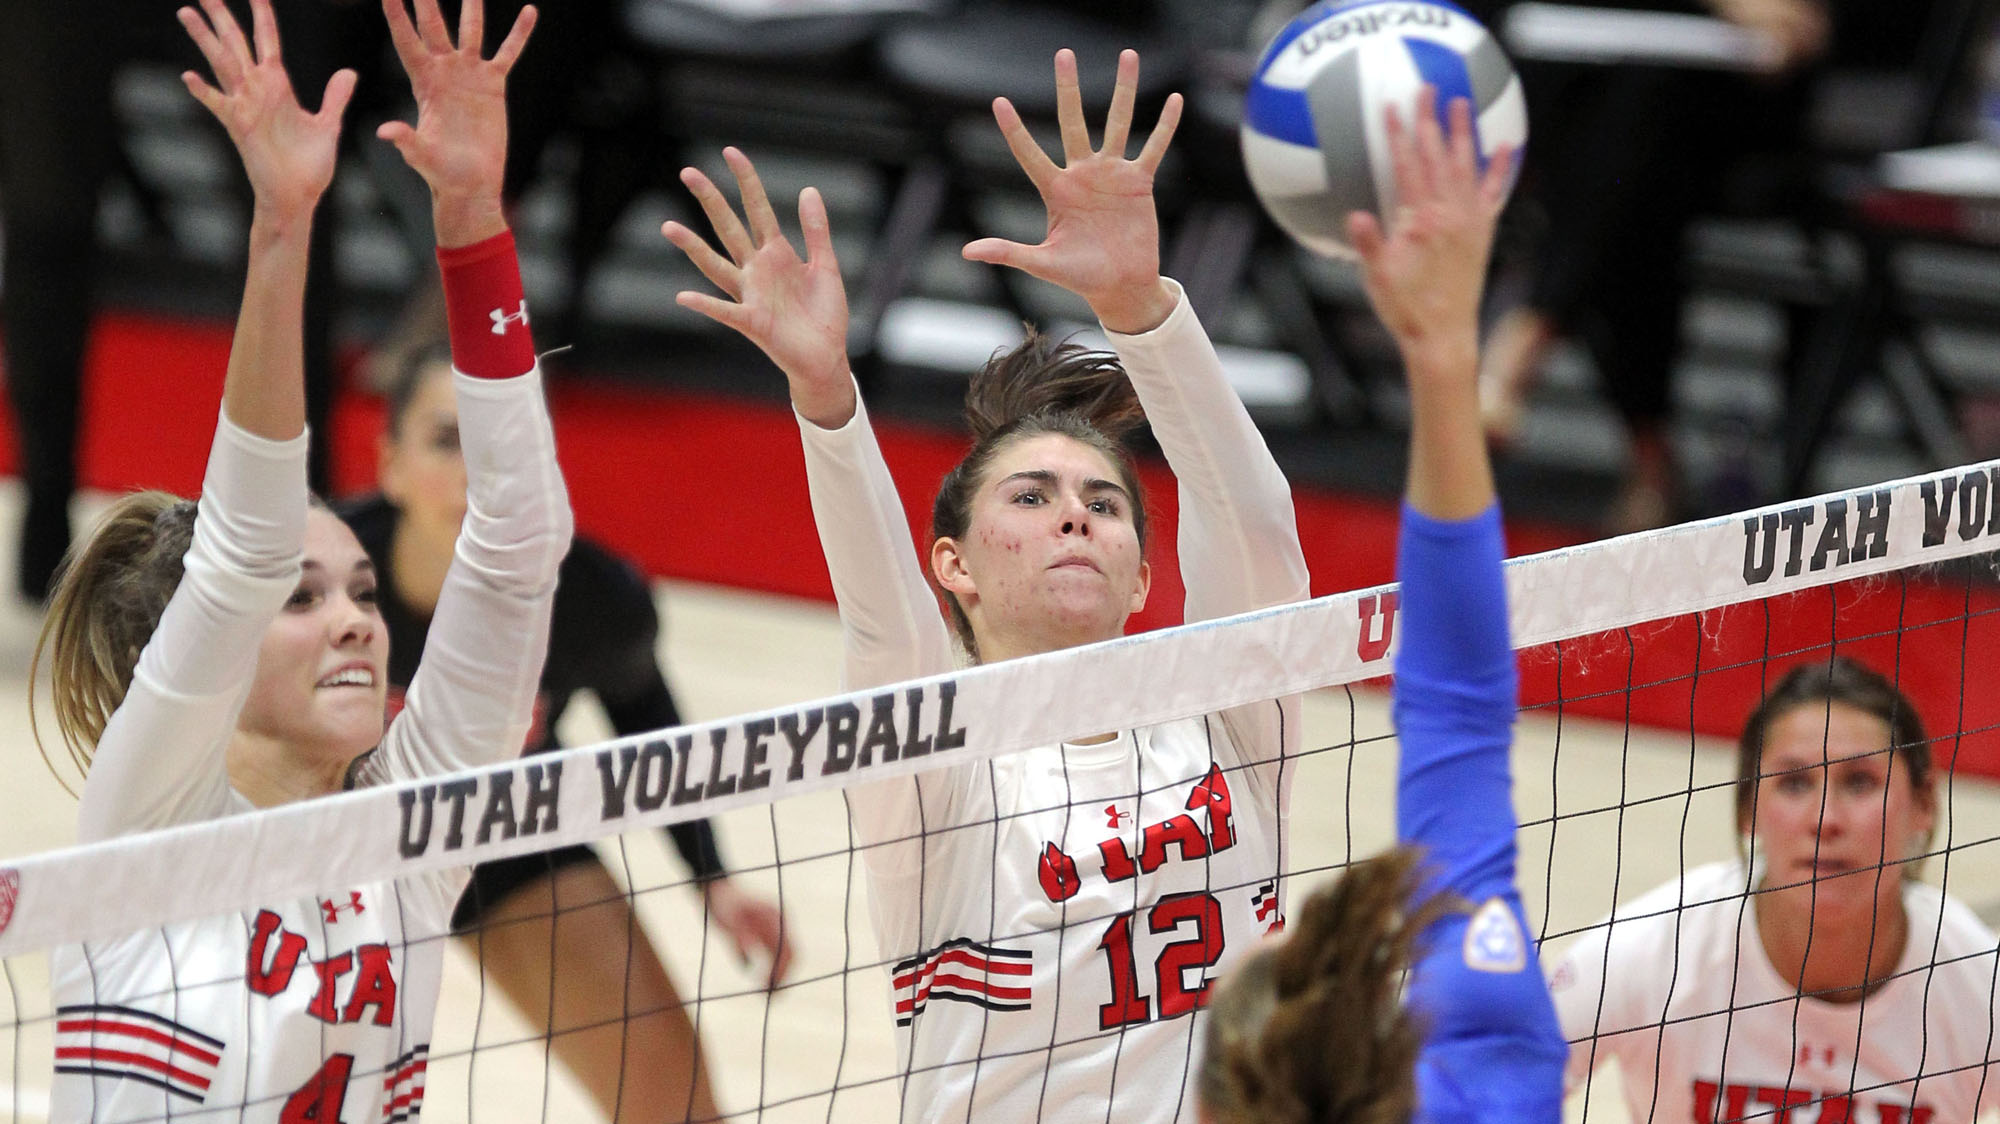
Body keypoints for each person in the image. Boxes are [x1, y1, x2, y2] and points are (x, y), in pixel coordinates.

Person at [663, 47, 1310, 1123]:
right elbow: (883, 633)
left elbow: (1254, 525)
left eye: (1103, 505)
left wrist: (1142, 307)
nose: (1074, 514)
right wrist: (826, 397)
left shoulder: (1229, 725)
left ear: (1145, 577)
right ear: (951, 566)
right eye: (1031, 497)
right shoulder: (943, 770)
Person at [33, 1, 572, 1121]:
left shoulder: (414, 837)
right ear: (205, 653)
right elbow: (241, 546)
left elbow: (518, 543)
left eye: (364, 591)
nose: (357, 620)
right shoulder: (153, 823)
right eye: (305, 595)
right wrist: (282, 228)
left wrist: (472, 217)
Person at [1196, 88, 1567, 1124]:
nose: (1267, 932)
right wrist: (1443, 352)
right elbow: (1452, 696)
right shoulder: (1489, 1050)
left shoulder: (1488, 1066)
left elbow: (1454, 702)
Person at [337, 346, 792, 1123]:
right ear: (391, 465)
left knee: (674, 1104)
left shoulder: (591, 596)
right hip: (332, 853)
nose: (479, 475)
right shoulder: (318, 578)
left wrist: (711, 874)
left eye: (505, 448)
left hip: (503, 837)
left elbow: (643, 713)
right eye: (448, 441)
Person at [1545, 656, 2000, 1122]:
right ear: (1749, 808)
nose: (1825, 819)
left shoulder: (1979, 983)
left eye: (1860, 782)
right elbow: (1490, 1092)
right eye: (1794, 782)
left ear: (1923, 804)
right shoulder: (1651, 950)